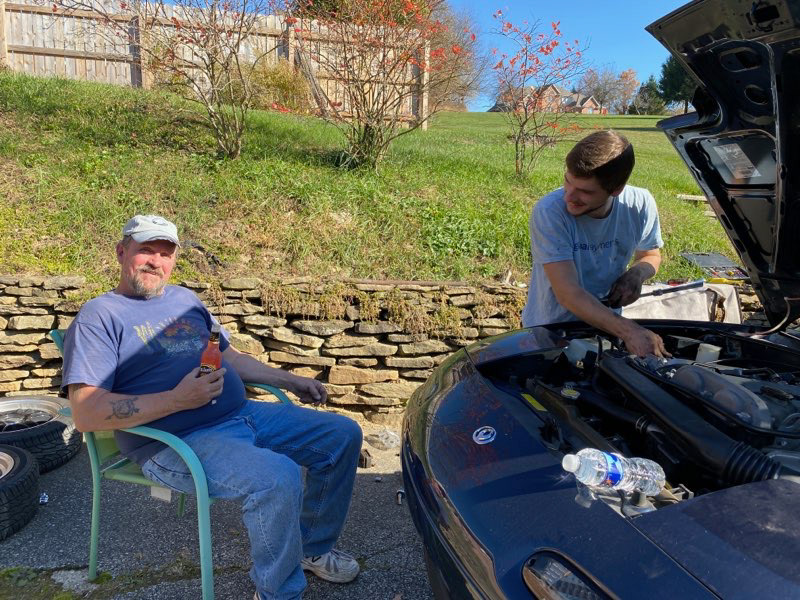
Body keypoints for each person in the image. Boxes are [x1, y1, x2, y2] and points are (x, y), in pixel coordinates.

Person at [61, 215, 363, 600]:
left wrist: (288, 379)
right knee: (277, 477)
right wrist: (177, 400)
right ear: (122, 253)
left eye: (165, 253)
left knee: (342, 435)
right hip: (176, 442)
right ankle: (277, 592)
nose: (156, 261)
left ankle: (312, 549)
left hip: (243, 415)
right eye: (145, 251)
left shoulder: (185, 301)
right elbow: (87, 413)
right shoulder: (99, 318)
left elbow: (228, 356)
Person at [522, 130, 669, 357]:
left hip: (607, 331)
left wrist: (636, 275)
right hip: (550, 334)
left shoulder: (639, 205)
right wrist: (629, 331)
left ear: (616, 190)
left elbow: (651, 255)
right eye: (567, 182)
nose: (568, 197)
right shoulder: (550, 212)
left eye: (585, 191)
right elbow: (568, 292)